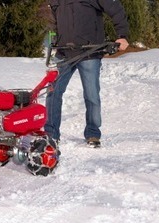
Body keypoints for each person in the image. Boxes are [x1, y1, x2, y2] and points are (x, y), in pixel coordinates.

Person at [45, 0, 129, 148]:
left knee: (91, 95)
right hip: (64, 52)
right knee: (53, 92)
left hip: (90, 52)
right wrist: (53, 39)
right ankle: (51, 134)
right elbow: (52, 20)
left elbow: (115, 8)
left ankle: (92, 133)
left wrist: (122, 35)